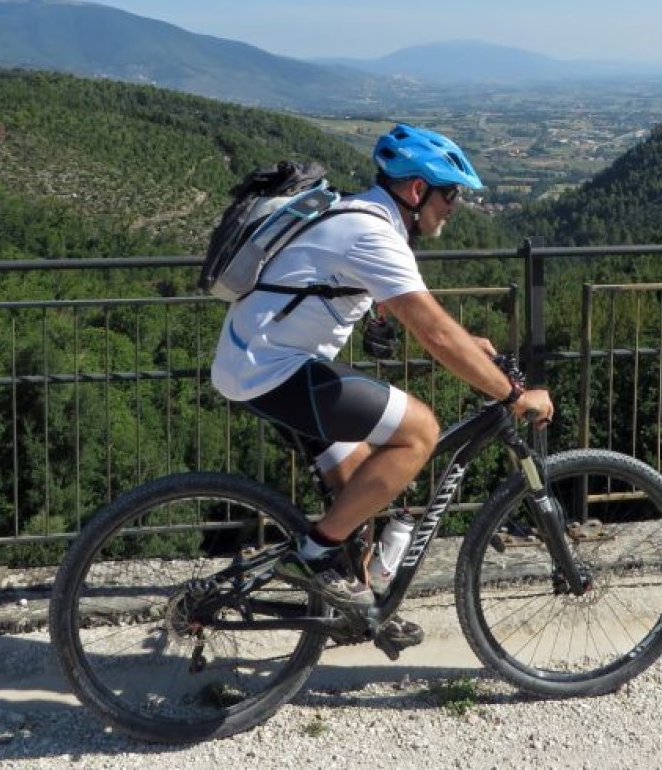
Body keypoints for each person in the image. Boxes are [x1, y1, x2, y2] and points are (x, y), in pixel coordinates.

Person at [210, 123, 554, 633]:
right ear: (417, 190)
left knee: (360, 488)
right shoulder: (373, 234)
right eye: (450, 194)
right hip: (272, 369)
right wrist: (512, 393)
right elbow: (434, 332)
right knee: (420, 432)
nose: (454, 206)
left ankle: (360, 608)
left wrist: (471, 346)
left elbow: (392, 305)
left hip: (257, 360)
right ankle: (316, 555)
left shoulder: (359, 214)